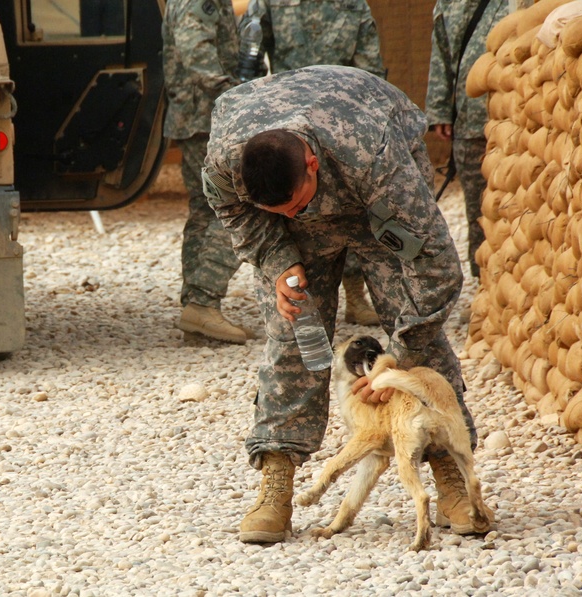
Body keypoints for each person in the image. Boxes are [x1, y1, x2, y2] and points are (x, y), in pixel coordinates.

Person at [201, 65, 485, 544]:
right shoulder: (226, 163)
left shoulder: (375, 157)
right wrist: (278, 260)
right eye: (280, 212)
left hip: (371, 198)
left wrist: (398, 362)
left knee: (415, 321)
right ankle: (277, 477)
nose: (293, 216)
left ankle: (448, 471)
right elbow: (237, 217)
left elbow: (436, 267)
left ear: (311, 163)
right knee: (292, 327)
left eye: (295, 205)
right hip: (307, 191)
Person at [236, 0, 387, 326]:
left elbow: (370, 65)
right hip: (301, 125)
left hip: (331, 123)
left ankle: (355, 295)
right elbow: (250, 56)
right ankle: (313, 293)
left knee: (350, 206)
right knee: (302, 204)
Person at [163, 0, 253, 344]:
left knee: (204, 211)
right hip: (209, 119)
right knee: (234, 206)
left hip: (202, 118)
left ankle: (197, 315)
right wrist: (238, 96)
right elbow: (196, 52)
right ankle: (203, 303)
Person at [425, 0, 510, 278]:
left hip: (513, 117)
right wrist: (439, 110)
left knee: (515, 202)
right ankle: (483, 282)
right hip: (470, 121)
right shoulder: (450, 4)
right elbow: (441, 53)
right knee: (478, 210)